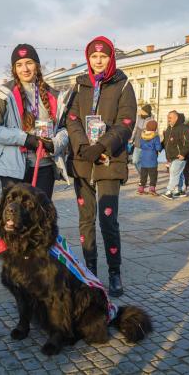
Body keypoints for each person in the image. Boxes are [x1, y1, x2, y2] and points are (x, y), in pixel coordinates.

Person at [66, 36, 136, 297]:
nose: (98, 61)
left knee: (108, 220)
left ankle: (115, 272)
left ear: (110, 58)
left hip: (109, 162)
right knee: (86, 220)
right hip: (83, 162)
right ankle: (90, 271)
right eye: (94, 56)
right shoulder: (80, 84)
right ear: (88, 58)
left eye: (103, 56)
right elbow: (71, 119)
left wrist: (102, 146)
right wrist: (84, 146)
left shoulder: (122, 83)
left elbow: (126, 121)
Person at [0, 43, 69, 200]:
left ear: (37, 66)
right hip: (13, 168)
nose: (25, 69)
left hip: (44, 165)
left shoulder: (54, 95)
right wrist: (25, 139)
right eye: (19, 65)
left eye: (29, 63)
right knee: (15, 219)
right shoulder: (5, 94)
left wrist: (56, 143)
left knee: (41, 217)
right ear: (14, 69)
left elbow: (64, 130)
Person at [161, 110, 189, 200]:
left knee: (174, 173)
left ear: (176, 117)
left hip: (180, 156)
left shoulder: (184, 128)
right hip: (171, 155)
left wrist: (183, 153)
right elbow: (166, 142)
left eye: (170, 117)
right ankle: (181, 190)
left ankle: (169, 191)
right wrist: (160, 148)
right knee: (179, 173)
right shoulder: (169, 128)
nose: (168, 119)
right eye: (168, 117)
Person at [137, 119, 162, 195]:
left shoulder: (143, 135)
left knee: (143, 174)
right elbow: (158, 148)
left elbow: (140, 145)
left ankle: (141, 188)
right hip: (152, 158)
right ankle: (152, 188)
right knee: (153, 175)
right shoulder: (155, 136)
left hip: (144, 158)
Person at [130, 104, 154, 177]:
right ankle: (143, 175)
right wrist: (131, 138)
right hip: (137, 143)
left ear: (146, 112)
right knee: (135, 161)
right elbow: (135, 129)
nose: (140, 112)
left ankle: (143, 178)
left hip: (146, 145)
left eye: (142, 111)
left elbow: (153, 134)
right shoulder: (139, 118)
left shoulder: (151, 120)